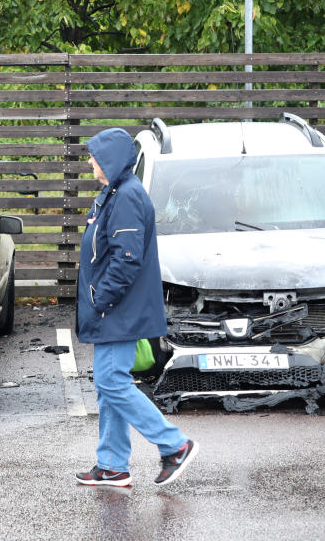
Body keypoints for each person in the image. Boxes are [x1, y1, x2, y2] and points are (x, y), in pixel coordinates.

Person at [74, 128, 198, 488]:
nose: (90, 162)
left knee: (112, 381)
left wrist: (101, 300)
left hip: (117, 311)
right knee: (108, 385)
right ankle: (112, 465)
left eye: (94, 156)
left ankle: (174, 445)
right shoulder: (114, 193)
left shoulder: (126, 196)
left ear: (110, 158)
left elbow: (126, 258)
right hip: (113, 310)